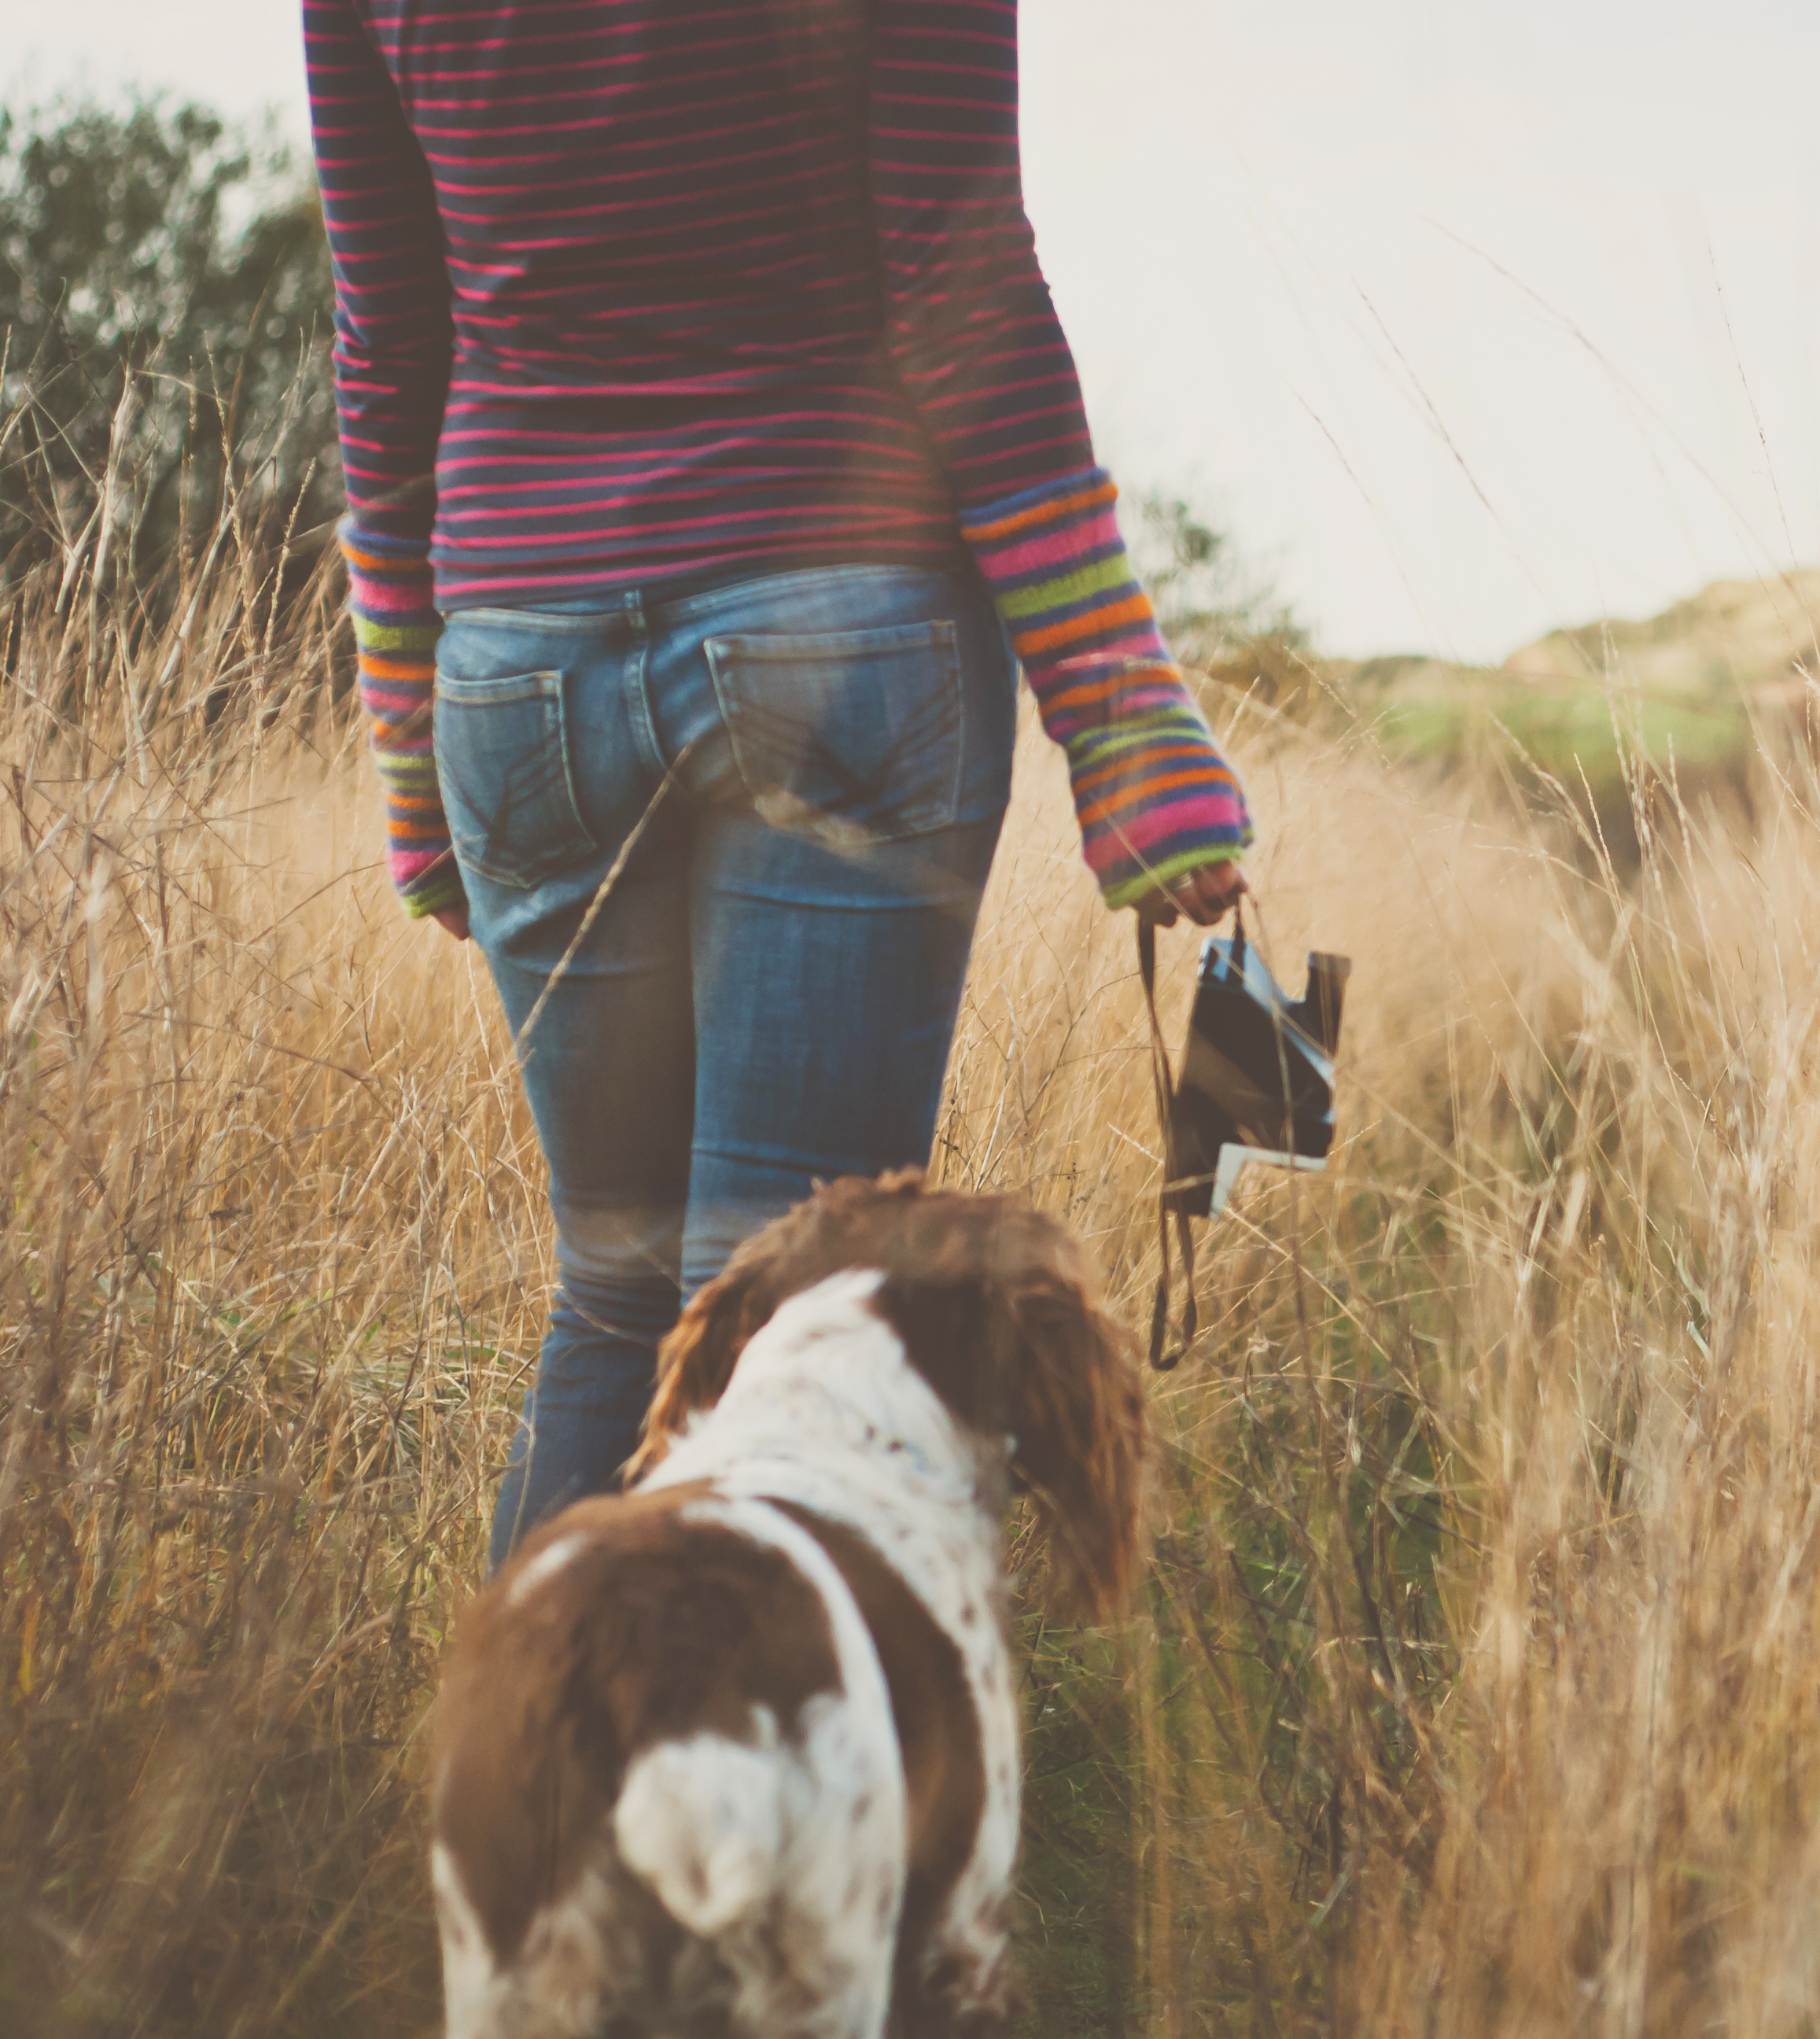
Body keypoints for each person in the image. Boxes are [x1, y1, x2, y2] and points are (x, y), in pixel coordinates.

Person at [304, 0, 1248, 1570]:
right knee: (792, 1302)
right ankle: (793, 1802)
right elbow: (963, 280)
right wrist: (1129, 730)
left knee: (614, 1295)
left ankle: (543, 1802)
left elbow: (387, 335)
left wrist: (413, 746)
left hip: (519, 666)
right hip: (839, 625)